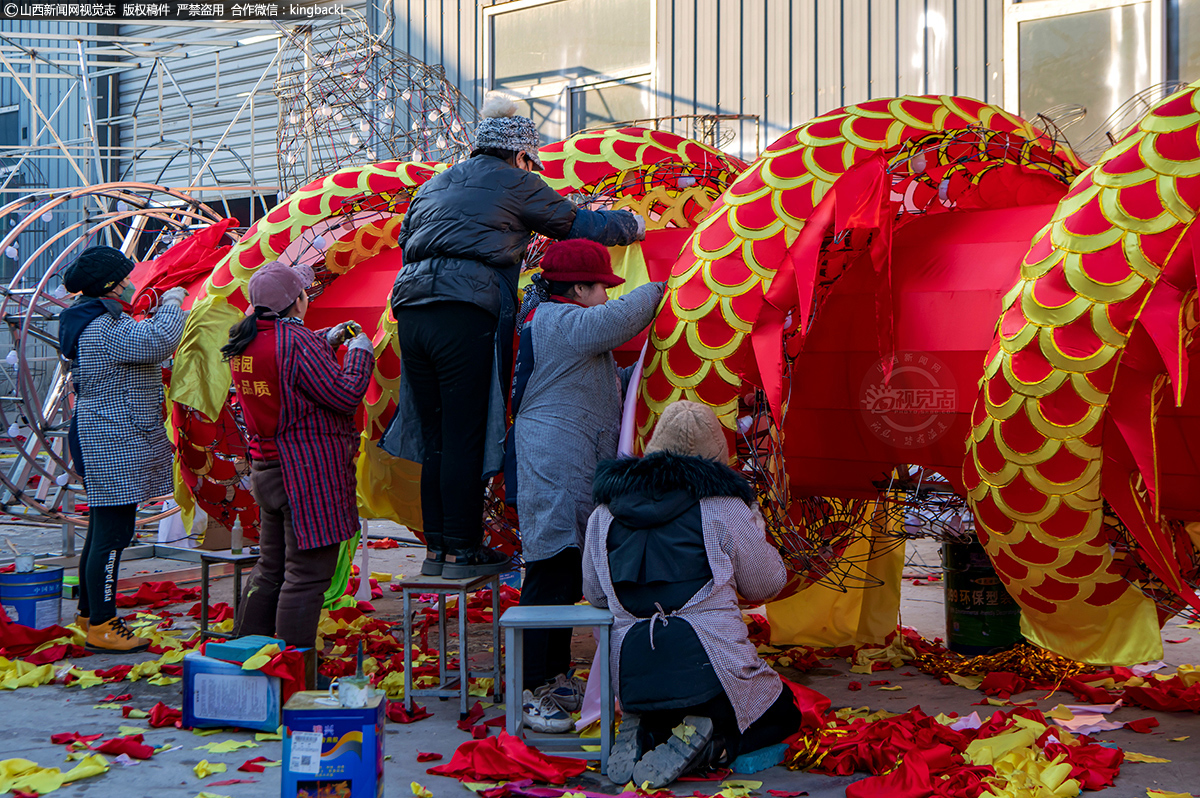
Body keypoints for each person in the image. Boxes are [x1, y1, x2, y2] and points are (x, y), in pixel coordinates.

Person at [382, 92, 645, 579]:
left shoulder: (433, 185)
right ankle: (462, 551)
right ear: (522, 155)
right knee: (464, 433)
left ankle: (439, 551)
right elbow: (576, 224)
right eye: (534, 161)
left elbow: (407, 241)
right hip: (466, 311)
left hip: (412, 311)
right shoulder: (517, 182)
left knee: (436, 434)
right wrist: (630, 224)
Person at [583, 401, 802, 787]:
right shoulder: (723, 507)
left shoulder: (604, 513)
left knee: (664, 706)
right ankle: (712, 745)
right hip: (709, 669)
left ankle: (649, 731)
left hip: (635, 677)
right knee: (784, 714)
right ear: (718, 457)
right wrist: (754, 523)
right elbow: (767, 583)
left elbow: (595, 595)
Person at [509, 239, 665, 733]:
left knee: (561, 576)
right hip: (552, 466)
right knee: (548, 572)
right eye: (602, 287)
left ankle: (553, 677)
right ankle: (529, 687)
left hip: (568, 465)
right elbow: (619, 319)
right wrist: (675, 285)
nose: (606, 295)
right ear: (577, 289)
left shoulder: (564, 328)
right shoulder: (558, 321)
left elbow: (604, 382)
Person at [223, 260, 375, 650]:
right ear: (297, 301)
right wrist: (359, 352)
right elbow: (343, 396)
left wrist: (326, 337)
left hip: (267, 470)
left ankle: (247, 653)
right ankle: (293, 670)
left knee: (270, 569)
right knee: (306, 576)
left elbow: (286, 368)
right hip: (305, 475)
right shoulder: (296, 342)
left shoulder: (246, 338)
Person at [58, 245, 188, 653]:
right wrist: (173, 301)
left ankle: (87, 612)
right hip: (111, 439)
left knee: (101, 529)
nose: (134, 283)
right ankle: (103, 623)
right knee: (115, 534)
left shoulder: (93, 321)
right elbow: (159, 339)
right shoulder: (104, 329)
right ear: (111, 288)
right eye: (126, 278)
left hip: (106, 434)